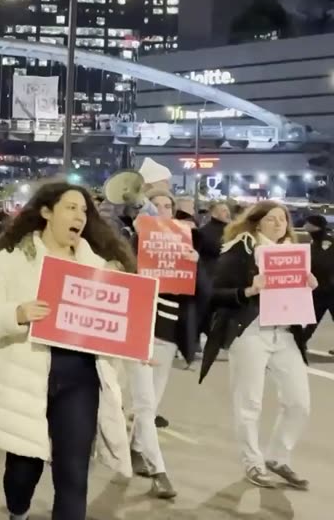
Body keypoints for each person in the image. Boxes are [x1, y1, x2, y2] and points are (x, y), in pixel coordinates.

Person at [0, 181, 135, 520]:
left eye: (84, 211)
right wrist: (17, 313)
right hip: (26, 379)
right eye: (71, 208)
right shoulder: (13, 260)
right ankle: (18, 512)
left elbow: (120, 323)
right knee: (22, 474)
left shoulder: (100, 267)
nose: (80, 216)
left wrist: (136, 342)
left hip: (80, 381)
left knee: (73, 476)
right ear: (46, 212)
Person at [199, 201, 314, 489]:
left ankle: (278, 456)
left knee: (299, 402)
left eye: (283, 220)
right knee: (249, 403)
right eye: (272, 219)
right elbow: (215, 293)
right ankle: (253, 461)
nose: (278, 225)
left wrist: (309, 284)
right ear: (257, 222)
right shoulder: (243, 249)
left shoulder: (292, 254)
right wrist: (249, 290)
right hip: (250, 331)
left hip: (285, 333)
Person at [127, 190, 197, 499]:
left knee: (151, 402)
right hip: (138, 327)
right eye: (158, 205)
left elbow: (201, 292)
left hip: (167, 332)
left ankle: (134, 448)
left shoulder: (187, 242)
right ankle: (159, 471)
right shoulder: (133, 242)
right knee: (143, 402)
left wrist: (195, 263)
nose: (163, 211)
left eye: (169, 206)